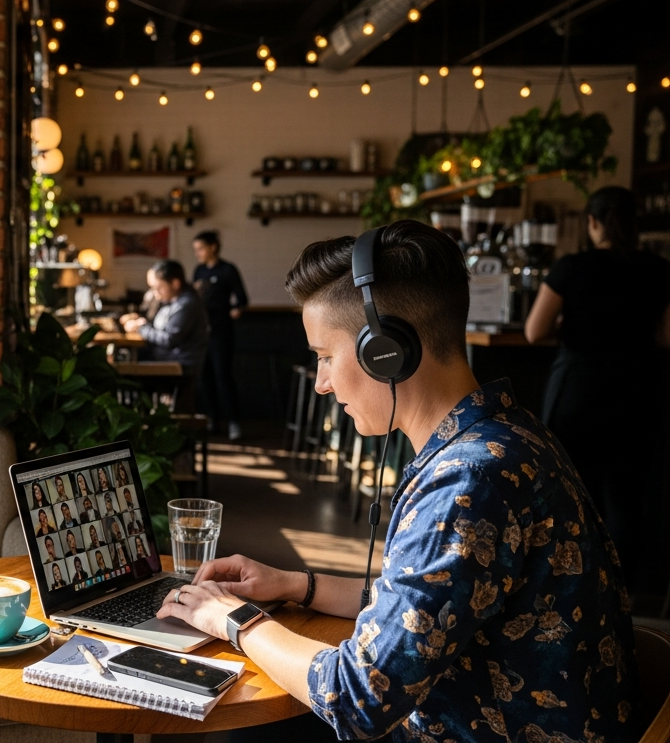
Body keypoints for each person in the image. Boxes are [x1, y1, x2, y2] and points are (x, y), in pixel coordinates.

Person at [155, 221, 637, 742]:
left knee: (236, 724)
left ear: (384, 351)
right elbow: (425, 610)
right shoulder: (505, 433)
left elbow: (359, 698)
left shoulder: (469, 481)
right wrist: (297, 585)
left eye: (324, 357)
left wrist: (234, 618)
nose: (321, 383)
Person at [525, 186, 670, 592]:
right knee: (626, 495)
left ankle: (576, 583)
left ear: (592, 223)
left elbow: (534, 330)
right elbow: (666, 336)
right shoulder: (659, 270)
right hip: (638, 389)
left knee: (573, 488)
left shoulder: (571, 267)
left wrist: (571, 325)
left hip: (581, 390)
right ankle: (623, 590)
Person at [192, 230, 249, 441]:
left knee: (223, 376)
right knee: (204, 378)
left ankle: (234, 422)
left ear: (212, 247)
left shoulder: (227, 269)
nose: (197, 253)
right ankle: (212, 420)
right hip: (201, 332)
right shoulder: (198, 270)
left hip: (222, 332)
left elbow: (242, 299)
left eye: (200, 248)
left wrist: (235, 310)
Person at [121, 260, 209, 371]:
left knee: (124, 369)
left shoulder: (186, 304)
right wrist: (142, 323)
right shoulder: (172, 300)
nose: (155, 292)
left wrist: (140, 329)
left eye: (158, 287)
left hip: (178, 367)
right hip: (167, 360)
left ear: (175, 283)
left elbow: (169, 339)